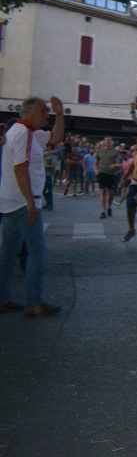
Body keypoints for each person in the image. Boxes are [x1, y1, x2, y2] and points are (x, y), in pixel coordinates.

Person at [0, 96, 65, 316]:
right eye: (43, 112)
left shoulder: (26, 132)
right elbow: (21, 169)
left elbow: (55, 138)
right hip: (23, 201)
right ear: (28, 112)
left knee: (9, 252)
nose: (45, 115)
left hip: (10, 201)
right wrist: (30, 202)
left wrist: (60, 114)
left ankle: (3, 299)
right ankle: (34, 302)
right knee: (37, 251)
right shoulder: (24, 134)